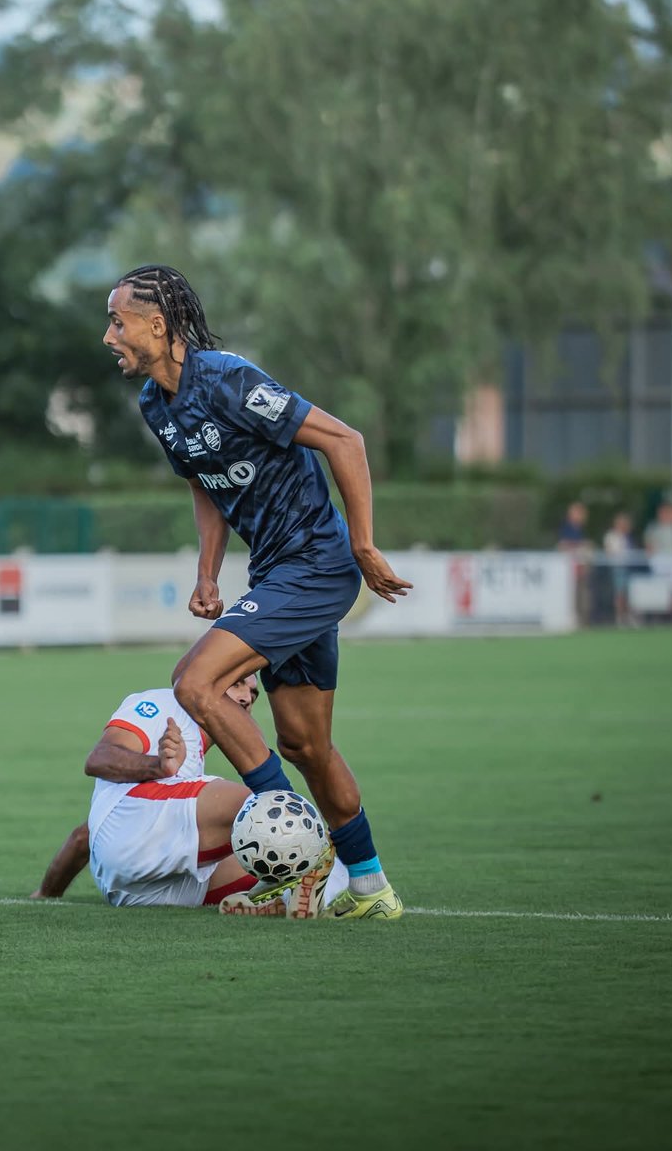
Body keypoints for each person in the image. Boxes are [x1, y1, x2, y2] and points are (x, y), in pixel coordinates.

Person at [102, 263, 411, 920]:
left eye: (118, 321)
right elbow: (203, 480)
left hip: (318, 566)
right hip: (276, 573)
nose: (109, 335)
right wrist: (208, 573)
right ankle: (371, 888)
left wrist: (362, 545)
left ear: (158, 325)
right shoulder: (157, 405)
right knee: (303, 745)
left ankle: (295, 843)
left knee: (195, 683)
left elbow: (343, 440)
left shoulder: (227, 380)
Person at [31, 672, 346, 917]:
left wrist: (47, 893)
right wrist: (157, 766)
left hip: (137, 892)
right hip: (132, 837)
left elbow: (84, 837)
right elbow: (98, 759)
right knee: (269, 809)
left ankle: (283, 900)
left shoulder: (189, 759)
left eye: (253, 693)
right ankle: (317, 872)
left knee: (287, 862)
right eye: (237, 684)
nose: (248, 697)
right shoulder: (165, 704)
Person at [557, 500, 593, 625]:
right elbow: (562, 546)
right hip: (571, 568)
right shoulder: (566, 528)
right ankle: (573, 619)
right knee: (572, 595)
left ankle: (583, 620)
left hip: (581, 566)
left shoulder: (580, 529)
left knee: (583, 594)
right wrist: (581, 545)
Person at [602, 511, 636, 628]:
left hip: (628, 567)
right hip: (617, 568)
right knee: (619, 594)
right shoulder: (611, 536)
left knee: (629, 594)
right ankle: (620, 618)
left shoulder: (627, 537)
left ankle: (628, 617)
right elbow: (609, 551)